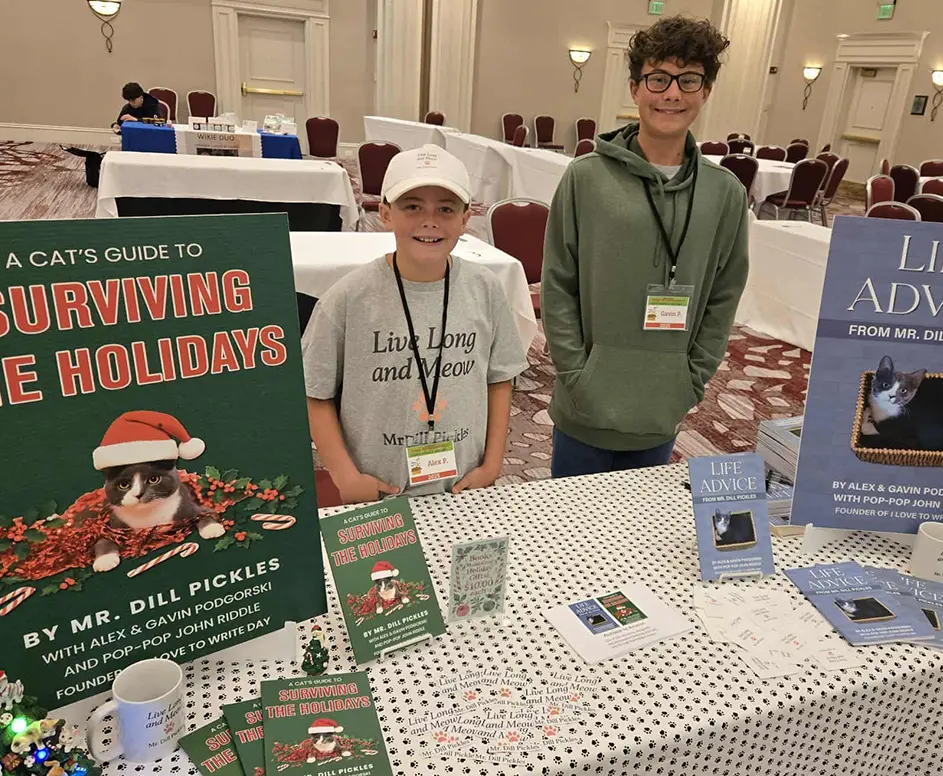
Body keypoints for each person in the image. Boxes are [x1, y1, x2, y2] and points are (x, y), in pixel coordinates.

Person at [541, 15, 747, 478]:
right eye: (658, 79)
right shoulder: (586, 177)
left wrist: (690, 381)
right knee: (571, 536)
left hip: (662, 407)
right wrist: (577, 376)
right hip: (585, 407)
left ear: (705, 91)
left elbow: (723, 294)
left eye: (688, 80)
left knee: (637, 537)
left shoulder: (724, 192)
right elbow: (558, 283)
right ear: (635, 89)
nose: (672, 93)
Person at [303, 145, 527, 503]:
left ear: (466, 218)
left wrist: (492, 464)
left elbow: (499, 378)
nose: (430, 220)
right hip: (377, 488)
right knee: (384, 563)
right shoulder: (348, 299)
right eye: (412, 206)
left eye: (446, 208)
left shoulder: (485, 290)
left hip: (463, 485)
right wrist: (346, 477)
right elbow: (315, 393)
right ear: (385, 214)